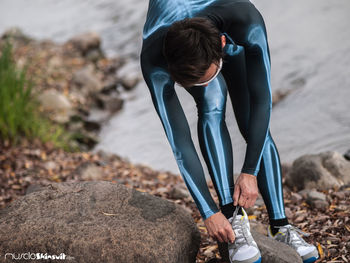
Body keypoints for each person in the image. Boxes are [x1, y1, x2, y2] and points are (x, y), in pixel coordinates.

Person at [140, 0, 319, 262]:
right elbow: (179, 140)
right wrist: (208, 211)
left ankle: (281, 226)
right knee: (212, 102)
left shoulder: (246, 21)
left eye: (207, 75)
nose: (205, 83)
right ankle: (230, 215)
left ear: (221, 47)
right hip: (180, 41)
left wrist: (250, 171)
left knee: (251, 119)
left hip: (223, 28)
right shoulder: (154, 58)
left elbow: (262, 101)